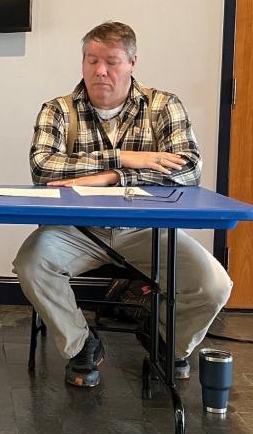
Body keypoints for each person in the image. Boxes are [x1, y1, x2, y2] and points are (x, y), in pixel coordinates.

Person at [13, 21, 232, 387]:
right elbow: (43, 168)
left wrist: (112, 177)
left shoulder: (163, 106)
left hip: (146, 228)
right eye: (92, 60)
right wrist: (125, 158)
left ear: (132, 62)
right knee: (31, 264)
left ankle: (165, 341)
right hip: (76, 229)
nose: (100, 71)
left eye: (112, 61)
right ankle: (82, 344)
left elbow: (189, 169)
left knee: (214, 285)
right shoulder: (58, 110)